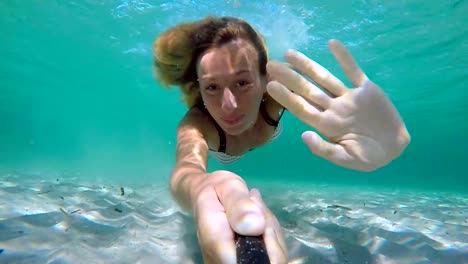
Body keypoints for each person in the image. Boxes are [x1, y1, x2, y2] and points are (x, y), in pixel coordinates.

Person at [152, 16, 410, 264]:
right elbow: (186, 167)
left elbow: (335, 101)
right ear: (199, 88)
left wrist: (382, 138)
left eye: (242, 82)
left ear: (265, 78)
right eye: (212, 87)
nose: (228, 105)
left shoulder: (279, 90)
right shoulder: (197, 123)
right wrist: (201, 190)